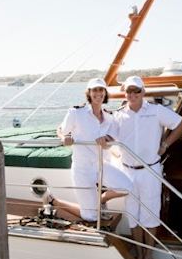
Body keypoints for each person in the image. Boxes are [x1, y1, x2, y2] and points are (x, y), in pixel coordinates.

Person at [107, 75, 182, 259]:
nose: (132, 94)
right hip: (127, 171)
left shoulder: (156, 111)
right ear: (124, 93)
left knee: (150, 214)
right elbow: (108, 135)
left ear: (143, 92)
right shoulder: (118, 115)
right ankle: (139, 251)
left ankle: (148, 256)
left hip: (150, 170)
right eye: (129, 91)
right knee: (133, 215)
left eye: (136, 90)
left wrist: (165, 144)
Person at [49, 78, 132, 223]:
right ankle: (55, 202)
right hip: (83, 168)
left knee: (127, 187)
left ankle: (100, 200)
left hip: (102, 165)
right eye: (95, 90)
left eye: (101, 90)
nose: (98, 93)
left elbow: (111, 139)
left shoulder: (109, 117)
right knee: (91, 217)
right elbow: (61, 130)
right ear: (89, 93)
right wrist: (65, 137)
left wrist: (107, 142)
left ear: (105, 93)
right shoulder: (76, 113)